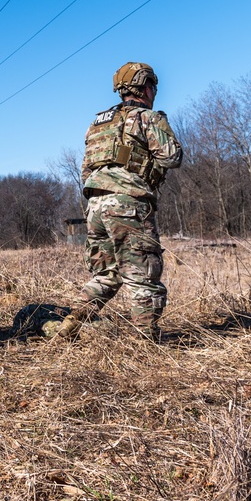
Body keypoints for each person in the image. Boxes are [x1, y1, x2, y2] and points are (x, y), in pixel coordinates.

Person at [56, 62, 183, 341]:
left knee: (106, 275)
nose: (155, 93)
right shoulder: (148, 118)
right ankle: (145, 344)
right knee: (144, 277)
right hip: (128, 204)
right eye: (153, 87)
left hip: (96, 206)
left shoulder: (98, 123)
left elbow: (86, 169)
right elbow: (172, 157)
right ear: (145, 86)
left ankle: (69, 327)